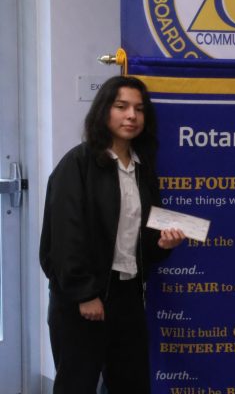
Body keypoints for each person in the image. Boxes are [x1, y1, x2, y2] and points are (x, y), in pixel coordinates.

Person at [39, 75, 186, 393]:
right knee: (76, 385)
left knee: (131, 383)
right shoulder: (77, 164)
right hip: (83, 300)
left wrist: (164, 244)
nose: (132, 115)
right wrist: (85, 294)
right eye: (122, 106)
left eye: (139, 109)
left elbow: (145, 238)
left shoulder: (142, 169)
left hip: (128, 296)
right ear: (104, 111)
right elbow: (66, 237)